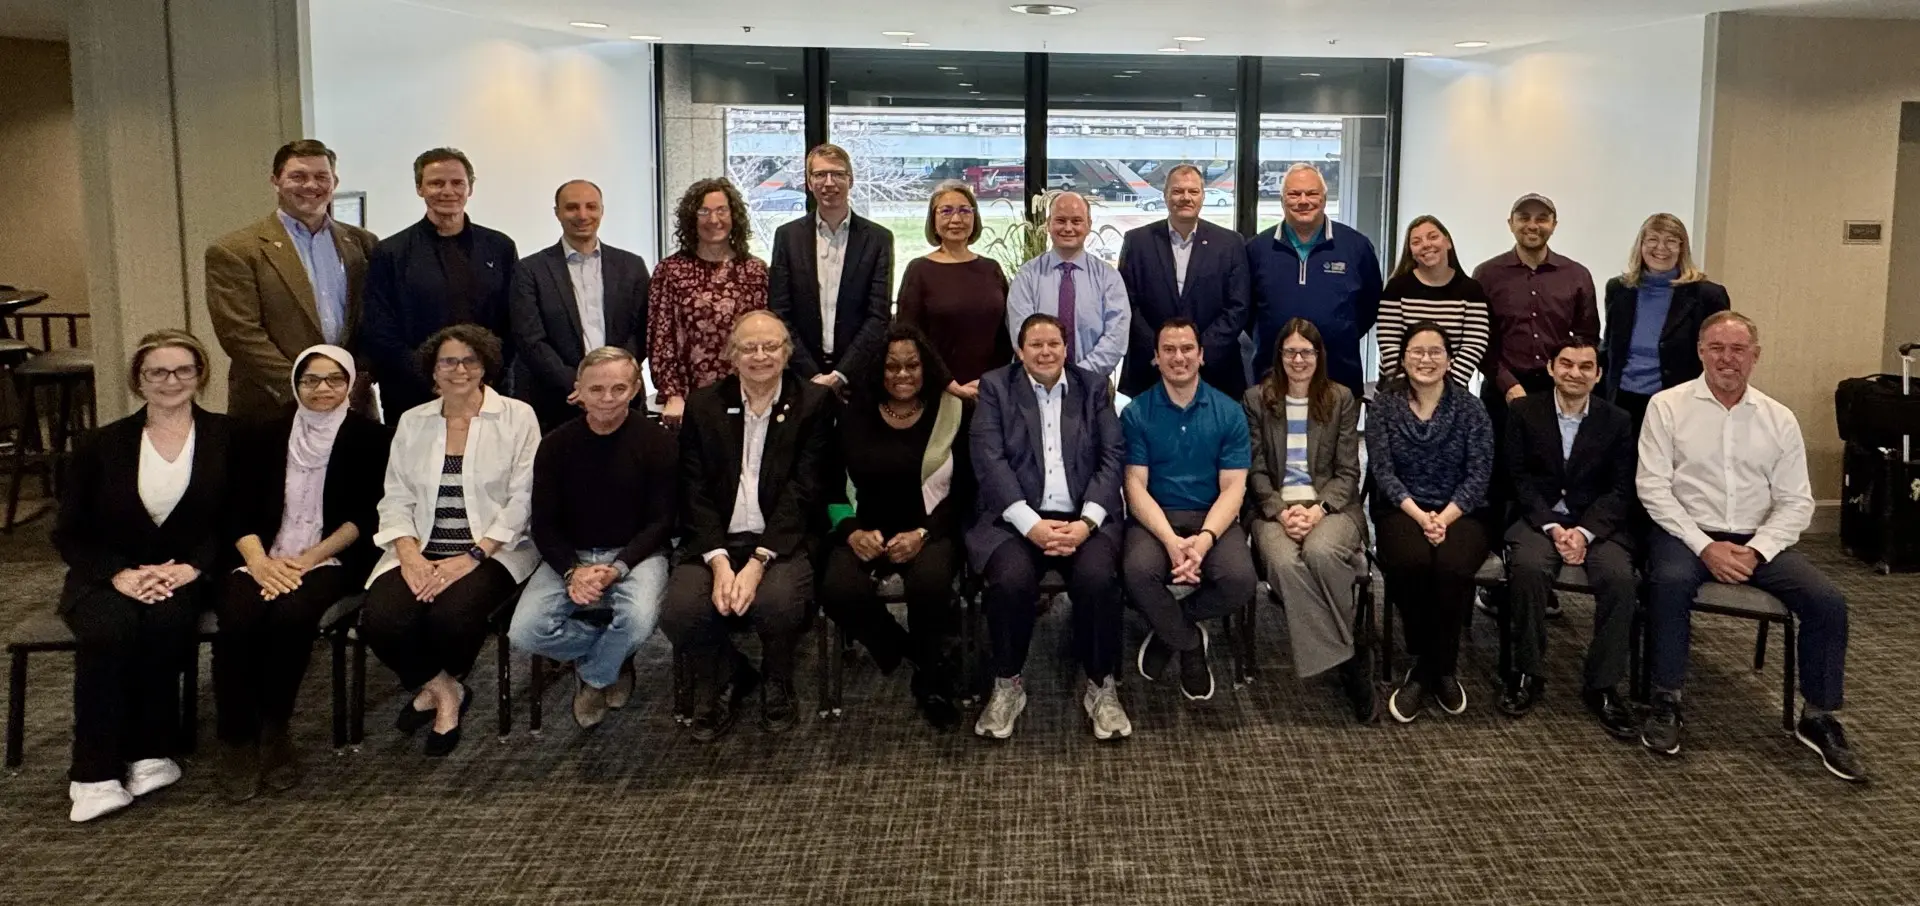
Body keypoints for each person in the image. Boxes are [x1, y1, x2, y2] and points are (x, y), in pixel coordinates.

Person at [1635, 311, 1862, 781]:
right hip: (1686, 533)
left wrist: (1757, 550)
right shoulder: (1667, 406)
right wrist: (1705, 546)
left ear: (1755, 356)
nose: (1727, 359)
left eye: (1738, 349)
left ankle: (1818, 716)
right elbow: (1653, 488)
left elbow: (1797, 501)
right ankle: (1666, 699)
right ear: (1700, 352)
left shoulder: (1779, 418)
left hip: (1758, 541)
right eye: (1717, 348)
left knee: (1827, 602)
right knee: (1668, 583)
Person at [54, 331, 233, 823]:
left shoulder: (228, 437)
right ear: (138, 379)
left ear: (200, 375)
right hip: (106, 574)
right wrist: (119, 574)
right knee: (108, 630)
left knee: (164, 623)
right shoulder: (101, 444)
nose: (171, 381)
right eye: (157, 372)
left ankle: (152, 750)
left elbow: (237, 520)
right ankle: (93, 773)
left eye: (183, 370)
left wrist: (191, 568)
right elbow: (69, 532)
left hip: (188, 573)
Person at [215, 345, 388, 800]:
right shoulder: (262, 434)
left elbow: (366, 516)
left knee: (291, 616)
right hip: (258, 554)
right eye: (311, 379)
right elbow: (236, 510)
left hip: (329, 557)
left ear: (349, 385)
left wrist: (306, 561)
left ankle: (275, 731)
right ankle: (236, 738)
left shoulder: (371, 438)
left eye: (334, 379)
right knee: (238, 617)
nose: (322, 389)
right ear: (295, 384)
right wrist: (259, 563)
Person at [361, 325, 540, 757]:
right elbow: (396, 496)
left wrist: (473, 555)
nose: (460, 369)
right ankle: (445, 688)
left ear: (485, 366)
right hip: (420, 547)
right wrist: (408, 554)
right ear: (433, 370)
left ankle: (439, 693)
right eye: (448, 361)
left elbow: (523, 499)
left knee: (452, 617)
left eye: (469, 360)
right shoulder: (413, 421)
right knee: (381, 619)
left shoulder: (517, 416)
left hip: (494, 550)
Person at [661, 312, 834, 741]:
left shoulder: (813, 402)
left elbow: (804, 491)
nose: (760, 356)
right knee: (680, 610)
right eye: (749, 347)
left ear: (786, 353)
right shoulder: (703, 404)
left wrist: (757, 563)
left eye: (770, 346)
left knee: (775, 602)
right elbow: (693, 489)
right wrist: (719, 562)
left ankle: (778, 677)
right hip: (715, 540)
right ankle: (728, 675)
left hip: (783, 541)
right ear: (731, 355)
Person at [968, 314, 1130, 741]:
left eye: (1053, 344)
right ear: (1019, 351)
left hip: (1084, 518)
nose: (1045, 352)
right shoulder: (996, 388)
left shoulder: (1093, 387)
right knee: (1010, 581)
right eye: (1035, 345)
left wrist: (1087, 522)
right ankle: (1007, 683)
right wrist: (1031, 524)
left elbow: (1112, 456)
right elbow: (989, 460)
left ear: (1066, 348)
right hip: (1015, 518)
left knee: (1099, 579)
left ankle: (1101, 685)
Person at [508, 347, 676, 729]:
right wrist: (573, 571)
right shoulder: (555, 445)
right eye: (596, 389)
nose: (607, 399)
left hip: (637, 554)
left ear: (635, 389)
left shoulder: (658, 441)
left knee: (638, 620)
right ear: (578, 390)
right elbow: (544, 524)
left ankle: (596, 674)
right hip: (572, 554)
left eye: (619, 388)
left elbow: (662, 521)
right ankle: (615, 655)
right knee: (525, 631)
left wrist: (618, 568)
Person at [820, 324, 968, 729]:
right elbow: (828, 485)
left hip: (931, 527)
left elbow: (967, 491)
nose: (902, 374)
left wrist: (923, 533)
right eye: (892, 367)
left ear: (927, 367)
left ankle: (933, 684)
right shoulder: (853, 414)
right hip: (864, 527)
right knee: (837, 588)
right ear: (877, 369)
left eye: (912, 365)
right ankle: (909, 650)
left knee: (930, 584)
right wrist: (851, 530)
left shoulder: (952, 411)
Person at [1498, 338, 1639, 737]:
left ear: (1598, 373)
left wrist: (1584, 532)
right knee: (1527, 569)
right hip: (1538, 519)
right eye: (1566, 364)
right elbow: (1517, 478)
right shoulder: (1524, 411)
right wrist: (1553, 526)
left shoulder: (1618, 420)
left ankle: (1603, 685)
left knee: (1620, 579)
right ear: (1551, 368)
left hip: (1597, 524)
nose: (1575, 373)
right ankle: (1527, 672)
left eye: (1585, 366)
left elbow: (1621, 489)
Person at [1120, 318, 1256, 703]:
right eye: (1169, 350)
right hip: (1156, 518)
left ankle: (1170, 629)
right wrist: (1170, 541)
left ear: (1201, 355)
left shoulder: (1229, 412)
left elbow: (1233, 488)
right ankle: (1189, 642)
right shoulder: (1136, 413)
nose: (1178, 357)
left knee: (1240, 580)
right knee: (1136, 572)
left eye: (1186, 349)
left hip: (1212, 516)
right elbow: (1135, 487)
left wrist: (1205, 540)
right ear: (1155, 358)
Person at [1242, 319, 1372, 721]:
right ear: (1279, 355)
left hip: (1332, 507)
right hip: (1273, 509)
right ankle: (1350, 656)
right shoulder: (1256, 399)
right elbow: (1255, 470)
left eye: (1306, 352)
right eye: (1290, 352)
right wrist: (1281, 511)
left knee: (1320, 552)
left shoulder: (1341, 398)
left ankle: (1337, 651)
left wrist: (1318, 509)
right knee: (1283, 562)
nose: (1298, 360)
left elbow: (1348, 472)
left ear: (1319, 356)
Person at [1368, 322, 1494, 724]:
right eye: (1417, 352)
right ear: (1403, 359)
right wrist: (1423, 517)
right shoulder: (1384, 406)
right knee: (1412, 562)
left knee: (1452, 567)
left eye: (1435, 352)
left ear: (1450, 360)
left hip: (1463, 511)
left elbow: (1479, 475)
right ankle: (1438, 666)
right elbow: (1383, 472)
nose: (1426, 359)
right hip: (1401, 509)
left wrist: (1446, 516)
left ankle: (1428, 670)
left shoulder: (1471, 408)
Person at [206, 139, 379, 420]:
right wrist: (306, 389)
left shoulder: (363, 243)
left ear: (334, 182)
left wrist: (356, 379)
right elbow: (239, 334)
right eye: (298, 176)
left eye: (321, 177)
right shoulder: (236, 250)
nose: (311, 185)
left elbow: (375, 320)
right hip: (274, 407)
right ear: (275, 181)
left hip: (351, 404)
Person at [360, 148, 519, 420]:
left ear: (470, 188)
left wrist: (486, 374)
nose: (448, 191)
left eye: (457, 183)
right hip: (414, 394)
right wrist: (434, 377)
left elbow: (514, 319)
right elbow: (380, 328)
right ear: (419, 188)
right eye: (436, 183)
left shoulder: (500, 247)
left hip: (488, 390)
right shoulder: (391, 253)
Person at [509, 180, 651, 431]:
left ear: (602, 211)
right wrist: (580, 385)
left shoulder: (632, 266)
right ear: (557, 213)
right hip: (558, 400)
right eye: (572, 207)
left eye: (591, 207)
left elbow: (643, 330)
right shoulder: (530, 270)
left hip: (621, 399)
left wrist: (615, 381)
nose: (583, 215)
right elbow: (529, 338)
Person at [1246, 163, 1382, 397]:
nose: (1303, 201)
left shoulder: (1356, 246)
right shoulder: (1257, 249)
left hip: (1339, 376)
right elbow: (1247, 311)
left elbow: (1370, 306)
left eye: (1311, 193)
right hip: (1272, 379)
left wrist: (1338, 332)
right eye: (1294, 194)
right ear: (1282, 200)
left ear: (1324, 199)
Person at [767, 143, 894, 392]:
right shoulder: (787, 237)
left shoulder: (878, 239)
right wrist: (812, 374)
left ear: (850, 180)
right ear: (809, 181)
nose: (829, 182)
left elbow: (878, 315)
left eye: (837, 174)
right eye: (820, 174)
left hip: (857, 376)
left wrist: (841, 374)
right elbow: (780, 311)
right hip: (802, 376)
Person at [1117, 164, 1251, 398]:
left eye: (1193, 191)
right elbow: (1127, 303)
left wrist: (1197, 353)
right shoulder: (1137, 242)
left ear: (1202, 196)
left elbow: (1238, 306)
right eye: (1178, 191)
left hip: (1215, 369)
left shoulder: (1230, 243)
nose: (1185, 198)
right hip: (1150, 369)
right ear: (1165, 195)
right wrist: (1162, 351)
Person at [647, 178, 769, 429]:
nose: (714, 220)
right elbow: (660, 338)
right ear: (691, 219)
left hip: (748, 396)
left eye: (722, 210)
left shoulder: (755, 271)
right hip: (689, 400)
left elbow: (768, 337)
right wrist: (672, 394)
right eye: (704, 211)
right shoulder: (671, 271)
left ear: (734, 216)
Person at [1600, 213, 1731, 429]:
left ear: (1682, 248)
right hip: (1622, 402)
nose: (1661, 248)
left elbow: (1718, 355)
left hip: (1679, 405)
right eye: (1652, 239)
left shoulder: (1707, 295)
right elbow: (1610, 348)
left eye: (1671, 241)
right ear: (1641, 245)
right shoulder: (1619, 289)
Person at [896, 180, 1011, 399]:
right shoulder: (919, 270)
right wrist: (948, 383)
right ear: (933, 219)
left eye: (964, 211)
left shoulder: (991, 269)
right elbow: (909, 338)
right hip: (937, 390)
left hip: (989, 390)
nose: (956, 219)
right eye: (946, 211)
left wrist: (991, 381)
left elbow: (1005, 335)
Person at [1004, 192, 1131, 381]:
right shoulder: (1027, 276)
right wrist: (1050, 375)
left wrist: (1079, 377)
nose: (1068, 228)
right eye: (1061, 220)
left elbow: (1116, 337)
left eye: (1076, 221)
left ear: (1088, 225)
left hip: (1093, 384)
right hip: (1035, 384)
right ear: (1048, 224)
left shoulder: (1108, 277)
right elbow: (1020, 335)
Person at [1378, 215, 1491, 387]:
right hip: (1399, 388)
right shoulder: (1396, 288)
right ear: (1411, 252)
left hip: (1452, 389)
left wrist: (1446, 387)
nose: (1426, 245)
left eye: (1433, 237)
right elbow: (1389, 343)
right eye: (1416, 242)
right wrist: (1409, 387)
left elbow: (1475, 343)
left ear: (1448, 242)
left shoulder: (1471, 290)